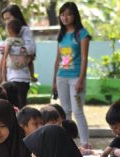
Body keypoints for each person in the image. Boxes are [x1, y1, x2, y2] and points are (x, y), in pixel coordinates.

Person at [52, 2, 91, 149]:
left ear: (75, 15)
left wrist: (81, 80)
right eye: (62, 14)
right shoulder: (61, 34)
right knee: (65, 112)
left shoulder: (82, 34)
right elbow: (57, 59)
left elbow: (84, 58)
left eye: (68, 14)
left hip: (76, 77)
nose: (65, 17)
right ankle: (68, 143)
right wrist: (54, 81)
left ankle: (85, 143)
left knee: (77, 111)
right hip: (61, 77)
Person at [0, 4, 36, 109]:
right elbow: (4, 55)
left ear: (16, 16)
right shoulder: (10, 33)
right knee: (11, 107)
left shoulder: (24, 30)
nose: (7, 22)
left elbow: (31, 49)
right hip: (10, 75)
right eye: (5, 19)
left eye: (9, 18)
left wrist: (11, 49)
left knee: (20, 106)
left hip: (22, 77)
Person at [1, 19, 32, 86]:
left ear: (8, 30)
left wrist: (4, 79)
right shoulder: (23, 41)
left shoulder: (9, 41)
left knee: (5, 60)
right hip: (25, 76)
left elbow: (4, 59)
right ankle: (32, 76)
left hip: (13, 76)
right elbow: (30, 60)